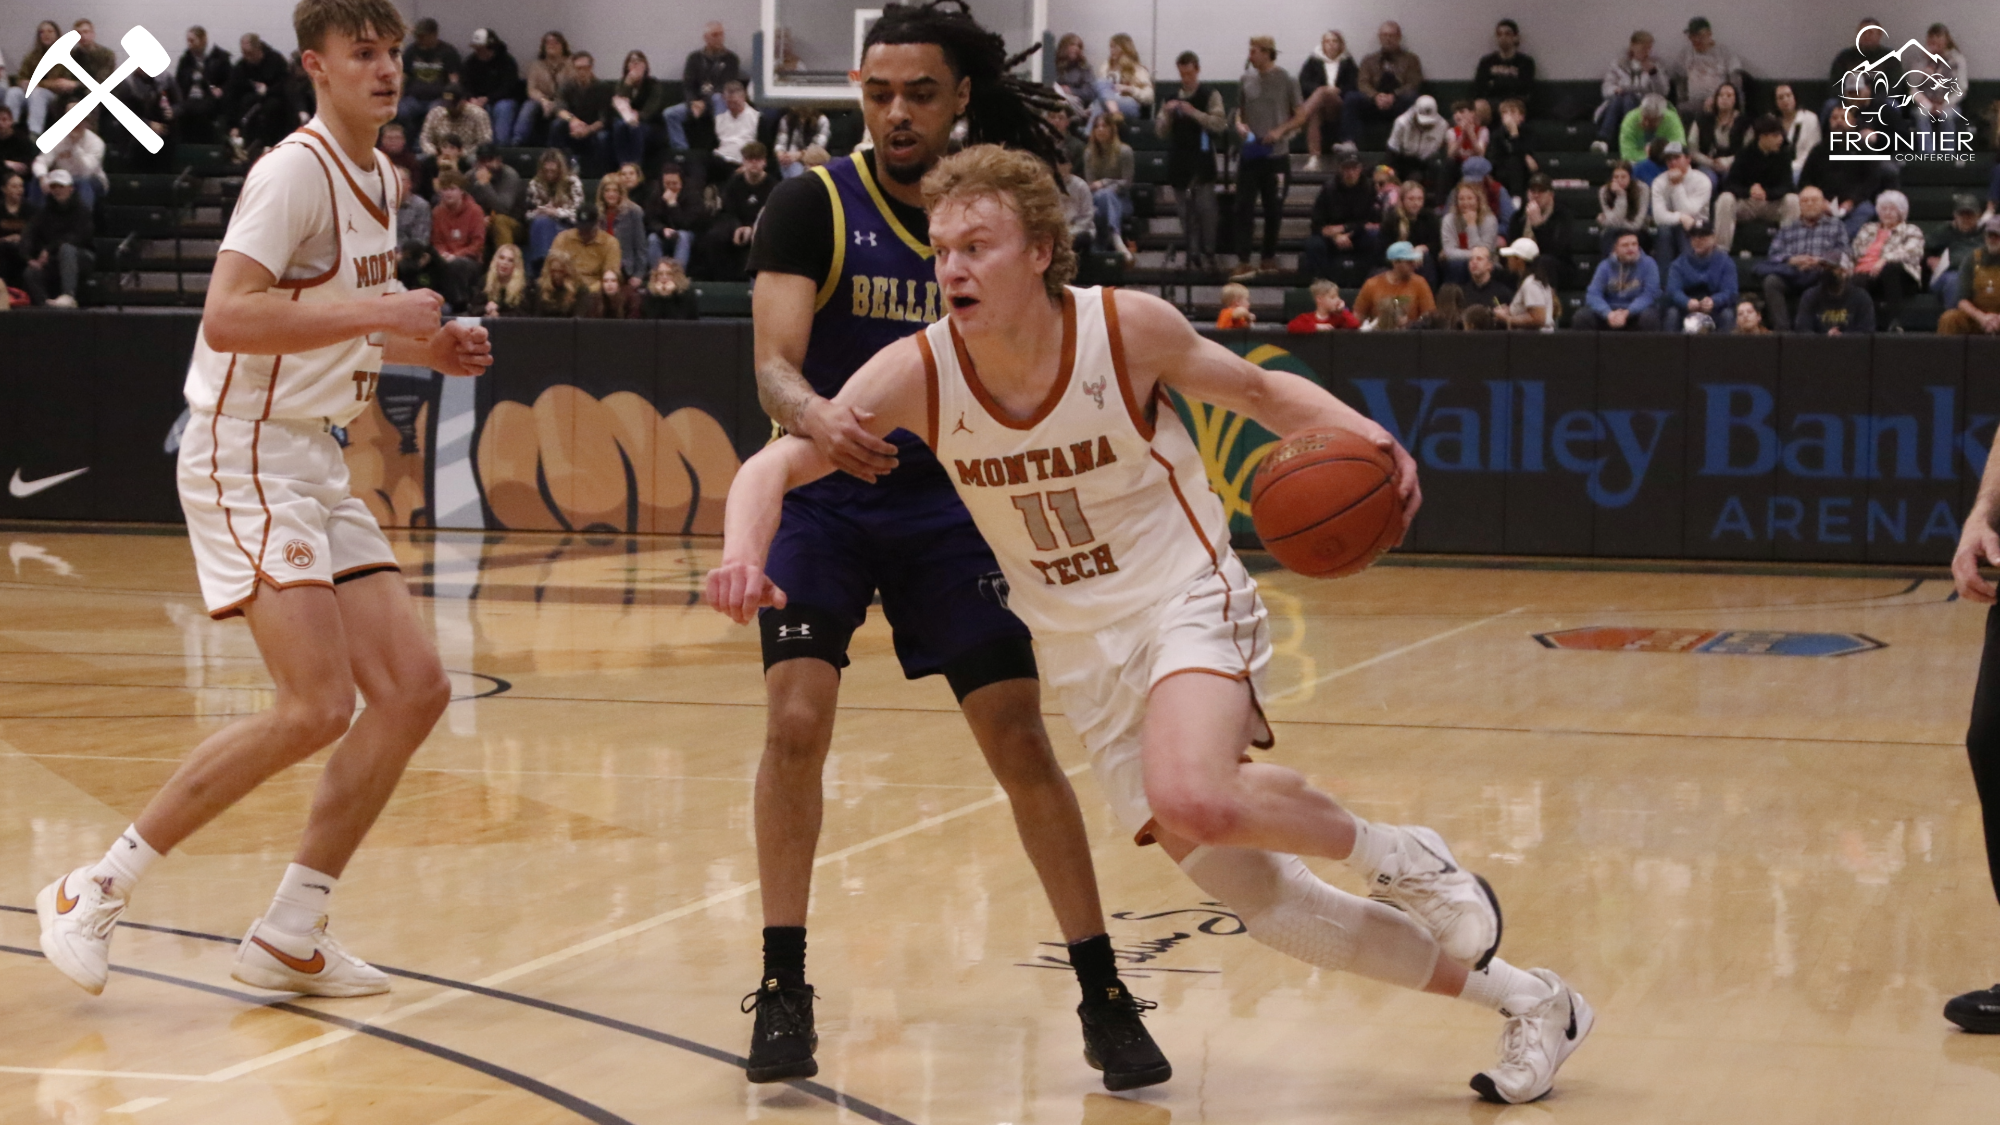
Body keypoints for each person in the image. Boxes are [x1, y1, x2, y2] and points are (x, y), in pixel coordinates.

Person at [711, 143, 1592, 1105]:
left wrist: (1369, 438)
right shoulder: (918, 372)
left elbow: (1258, 393)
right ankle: (1533, 1000)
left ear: (1041, 249)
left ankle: (1403, 854)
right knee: (1270, 904)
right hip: (1087, 656)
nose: (951, 267)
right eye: (940, 248)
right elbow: (772, 467)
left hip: (1183, 595)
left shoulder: (1124, 329)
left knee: (1195, 792)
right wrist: (744, 552)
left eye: (977, 244)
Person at [736, 0, 1169, 1092]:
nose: (892, 113)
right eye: (875, 93)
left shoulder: (996, 211)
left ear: (959, 95)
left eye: (916, 92)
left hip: (950, 506)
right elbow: (772, 365)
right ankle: (782, 982)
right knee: (794, 722)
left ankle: (1101, 988)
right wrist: (813, 415)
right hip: (827, 495)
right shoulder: (813, 202)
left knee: (1017, 737)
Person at [35, 0, 490, 999]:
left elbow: (333, 324)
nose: (385, 70)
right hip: (243, 451)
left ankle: (291, 930)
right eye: (362, 54)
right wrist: (381, 309)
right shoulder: (294, 170)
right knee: (316, 704)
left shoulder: (385, 176)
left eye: (394, 53)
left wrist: (425, 346)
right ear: (316, 67)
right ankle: (92, 886)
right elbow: (231, 314)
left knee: (414, 690)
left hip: (316, 459)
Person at [1229, 36, 1299, 281]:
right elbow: (1240, 110)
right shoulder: (1246, 79)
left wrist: (1280, 131)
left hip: (1276, 154)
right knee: (1242, 207)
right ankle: (1244, 260)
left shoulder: (1286, 80)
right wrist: (1239, 124)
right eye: (1250, 50)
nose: (1251, 55)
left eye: (1255, 51)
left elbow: (1299, 115)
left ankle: (1268, 257)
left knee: (1273, 208)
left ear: (1268, 53)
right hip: (1251, 153)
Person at [1156, 51, 1224, 270]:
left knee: (1206, 210)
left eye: (1189, 73)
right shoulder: (1169, 97)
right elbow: (1160, 132)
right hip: (1179, 159)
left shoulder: (1210, 94)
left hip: (1202, 158)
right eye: (1182, 73)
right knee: (1185, 212)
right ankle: (1192, 252)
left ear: (1197, 70)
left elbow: (1219, 124)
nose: (1185, 78)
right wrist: (1167, 115)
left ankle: (1210, 251)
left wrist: (1193, 112)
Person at [1757, 185, 1847, 331]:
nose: (1809, 204)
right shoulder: (1788, 228)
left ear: (1823, 203)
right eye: (1805, 201)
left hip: (1821, 273)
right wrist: (1792, 259)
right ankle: (1782, 331)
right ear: (1800, 204)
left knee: (1830, 277)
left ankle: (1821, 328)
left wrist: (1819, 260)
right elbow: (1773, 254)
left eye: (1814, 200)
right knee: (1771, 281)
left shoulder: (1836, 226)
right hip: (1793, 273)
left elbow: (1843, 252)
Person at [1713, 115, 1796, 254]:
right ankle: (1721, 251)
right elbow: (1730, 184)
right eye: (1776, 136)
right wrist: (1749, 191)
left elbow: (1788, 186)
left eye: (1781, 135)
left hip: (1771, 204)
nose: (1780, 140)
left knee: (1793, 200)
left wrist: (1767, 193)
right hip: (1748, 203)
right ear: (1763, 137)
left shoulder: (1784, 154)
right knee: (1725, 199)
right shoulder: (1745, 154)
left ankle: (1789, 251)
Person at [696, 141, 773, 281]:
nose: (754, 163)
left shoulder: (773, 185)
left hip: (761, 227)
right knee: (714, 236)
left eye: (758, 159)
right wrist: (737, 227)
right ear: (743, 162)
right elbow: (727, 210)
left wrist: (752, 228)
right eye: (750, 159)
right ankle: (721, 281)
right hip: (735, 223)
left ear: (765, 162)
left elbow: (771, 215)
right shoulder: (734, 182)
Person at [1342, 21, 1424, 145]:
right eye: (1384, 35)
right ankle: (1349, 143)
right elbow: (1362, 83)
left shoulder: (1411, 59)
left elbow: (1413, 83)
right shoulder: (1369, 60)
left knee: (1413, 98)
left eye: (1392, 35)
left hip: (1398, 103)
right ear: (1379, 37)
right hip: (1373, 102)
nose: (1388, 39)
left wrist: (1394, 96)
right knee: (1351, 98)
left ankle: (1410, 144)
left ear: (1399, 37)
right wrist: (1375, 96)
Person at [1848, 190, 1920, 329]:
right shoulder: (1867, 229)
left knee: (1890, 268)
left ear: (1901, 212)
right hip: (1867, 273)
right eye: (1884, 209)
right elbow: (1854, 252)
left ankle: (1895, 322)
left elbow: (1912, 251)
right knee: (1857, 280)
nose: (1887, 213)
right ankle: (1861, 326)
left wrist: (1884, 260)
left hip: (1900, 276)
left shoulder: (1911, 230)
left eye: (1892, 209)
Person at [1303, 151, 1378, 281]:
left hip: (1358, 234)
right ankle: (1321, 283)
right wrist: (1335, 235)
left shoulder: (1370, 188)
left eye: (1354, 168)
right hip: (1330, 236)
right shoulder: (1328, 189)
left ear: (1360, 169)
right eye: (1346, 168)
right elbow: (1316, 224)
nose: (1350, 172)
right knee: (1314, 244)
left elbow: (1372, 221)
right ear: (1340, 169)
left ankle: (1368, 282)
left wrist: (1345, 228)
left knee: (1375, 240)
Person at [20, 169, 91, 307]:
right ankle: (45, 306)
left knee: (66, 249)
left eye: (61, 186)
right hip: (54, 259)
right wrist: (28, 258)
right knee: (31, 272)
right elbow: (29, 232)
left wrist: (49, 249)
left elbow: (78, 237)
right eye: (54, 187)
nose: (57, 190)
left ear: (70, 188)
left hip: (81, 257)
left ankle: (68, 295)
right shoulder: (44, 212)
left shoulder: (82, 210)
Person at [1286, 31, 1356, 170]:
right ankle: (1314, 158)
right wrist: (1323, 90)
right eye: (1327, 41)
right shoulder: (1313, 61)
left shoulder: (1347, 62)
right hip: (1318, 106)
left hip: (1338, 105)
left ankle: (1297, 121)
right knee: (1315, 111)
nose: (1331, 45)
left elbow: (1354, 85)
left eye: (1334, 41)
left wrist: (1336, 90)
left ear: (1340, 44)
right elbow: (1303, 83)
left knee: (1323, 92)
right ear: (1323, 44)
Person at [667, 22, 740, 153]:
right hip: (696, 103)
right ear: (706, 37)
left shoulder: (731, 59)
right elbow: (688, 85)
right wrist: (693, 102)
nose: (719, 38)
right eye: (715, 35)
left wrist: (704, 102)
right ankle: (682, 152)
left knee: (718, 97)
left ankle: (726, 145)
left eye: (721, 34)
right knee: (670, 114)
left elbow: (725, 87)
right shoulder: (694, 58)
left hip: (719, 104)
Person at [1595, 31, 1670, 151]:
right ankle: (1605, 142)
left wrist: (1653, 74)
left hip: (1645, 105)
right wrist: (1616, 90)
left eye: (1648, 48)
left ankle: (1606, 138)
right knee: (1622, 99)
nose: (1646, 52)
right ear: (1632, 47)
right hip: (1617, 105)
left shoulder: (1657, 65)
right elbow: (1606, 88)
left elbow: (1663, 92)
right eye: (1642, 48)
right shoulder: (1618, 65)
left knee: (1629, 98)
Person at [1575, 230, 1662, 331]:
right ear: (1615, 249)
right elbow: (1593, 294)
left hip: (1636, 311)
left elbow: (1649, 295)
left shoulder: (1649, 264)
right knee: (1582, 317)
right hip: (1610, 311)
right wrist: (1608, 313)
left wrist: (1628, 312)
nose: (1631, 249)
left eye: (1634, 244)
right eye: (1625, 245)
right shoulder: (1605, 266)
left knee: (1649, 318)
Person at [429, 169, 487, 311]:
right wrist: (442, 254)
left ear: (461, 191)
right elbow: (436, 241)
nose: (448, 193)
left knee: (457, 265)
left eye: (452, 189)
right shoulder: (437, 212)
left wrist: (456, 255)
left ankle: (459, 306)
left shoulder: (475, 211)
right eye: (444, 189)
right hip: (445, 258)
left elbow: (477, 244)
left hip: (469, 260)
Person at [1650, 142, 1710, 275]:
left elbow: (1691, 212)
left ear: (1688, 159)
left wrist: (1677, 185)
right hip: (1670, 226)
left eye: (1676, 158)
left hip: (1697, 226)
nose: (1672, 162)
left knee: (1686, 232)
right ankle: (1664, 286)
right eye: (1668, 159)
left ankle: (1690, 283)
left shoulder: (1702, 180)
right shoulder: (1659, 182)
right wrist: (1681, 218)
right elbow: (1659, 217)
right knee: (1664, 231)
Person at [226, 33, 292, 154]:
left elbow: (286, 85)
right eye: (244, 53)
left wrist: (268, 90)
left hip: (274, 105)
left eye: (249, 53)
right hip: (250, 109)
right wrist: (233, 125)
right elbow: (232, 96)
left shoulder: (276, 60)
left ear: (258, 49)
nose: (246, 57)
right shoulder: (241, 67)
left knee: (273, 107)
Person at [1670, 17, 1744, 122]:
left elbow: (1736, 83)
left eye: (1699, 36)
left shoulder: (1724, 53)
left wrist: (1718, 99)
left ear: (1709, 34)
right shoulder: (1686, 53)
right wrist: (1682, 99)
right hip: (1693, 103)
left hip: (1718, 102)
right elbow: (1679, 79)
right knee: (1680, 111)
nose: (1695, 40)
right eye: (1692, 36)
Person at [1665, 221, 1736, 332]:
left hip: (1715, 309)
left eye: (1703, 236)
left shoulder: (1725, 262)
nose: (1698, 240)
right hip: (1687, 309)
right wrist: (1686, 302)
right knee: (1672, 313)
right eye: (1694, 236)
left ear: (1713, 238)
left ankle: (1723, 349)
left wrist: (1714, 301)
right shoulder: (1679, 263)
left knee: (1727, 315)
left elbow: (1730, 291)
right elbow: (1673, 291)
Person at [551, 52, 613, 175]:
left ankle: (599, 175)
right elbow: (559, 109)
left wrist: (588, 129)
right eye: (579, 68)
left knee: (603, 137)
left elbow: (604, 119)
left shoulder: (602, 87)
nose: (582, 72)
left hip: (594, 128)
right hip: (573, 126)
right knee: (557, 125)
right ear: (573, 69)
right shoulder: (566, 85)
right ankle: (558, 167)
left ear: (591, 68)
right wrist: (574, 121)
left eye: (586, 68)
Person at [1937, 216, 2000, 336]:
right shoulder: (1972, 259)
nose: (1992, 239)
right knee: (1949, 318)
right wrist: (1982, 318)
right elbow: (1962, 300)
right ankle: (1944, 354)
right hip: (1977, 317)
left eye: (1997, 236)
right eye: (1989, 235)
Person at [609, 51, 670, 173]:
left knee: (635, 128)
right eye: (632, 62)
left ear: (645, 66)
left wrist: (638, 116)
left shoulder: (654, 84)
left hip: (649, 124)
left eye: (639, 62)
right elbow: (619, 105)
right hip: (626, 121)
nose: (635, 65)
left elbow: (652, 108)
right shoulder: (622, 83)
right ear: (627, 66)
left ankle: (635, 168)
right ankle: (623, 166)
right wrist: (628, 85)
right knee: (619, 125)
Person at [1507, 174, 1571, 287]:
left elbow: (1557, 251)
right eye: (1532, 191)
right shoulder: (1518, 217)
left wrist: (1538, 226)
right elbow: (1511, 244)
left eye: (1541, 191)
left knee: (1544, 261)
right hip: (1524, 262)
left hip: (1555, 266)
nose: (1536, 195)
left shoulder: (1561, 216)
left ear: (1550, 195)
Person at [523, 147, 582, 270]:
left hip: (566, 225)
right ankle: (542, 266)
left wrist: (556, 212)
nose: (549, 174)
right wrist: (540, 211)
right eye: (546, 171)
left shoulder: (572, 182)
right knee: (541, 222)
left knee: (543, 224)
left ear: (560, 170)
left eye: (553, 171)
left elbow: (578, 214)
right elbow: (527, 214)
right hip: (540, 225)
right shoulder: (535, 184)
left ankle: (541, 268)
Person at [1084, 113, 1133, 259]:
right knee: (1102, 197)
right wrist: (1104, 187)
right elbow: (1091, 185)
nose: (1100, 130)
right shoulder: (1088, 153)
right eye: (1097, 126)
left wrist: (1105, 183)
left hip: (1122, 200)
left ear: (1112, 129)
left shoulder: (1124, 151)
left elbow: (1127, 183)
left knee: (1106, 195)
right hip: (1097, 200)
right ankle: (1115, 237)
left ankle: (1104, 244)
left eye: (1104, 126)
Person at [173, 26, 234, 144]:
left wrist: (221, 89)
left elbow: (230, 82)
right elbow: (178, 81)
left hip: (208, 98)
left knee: (200, 111)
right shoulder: (186, 60)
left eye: (192, 41)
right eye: (188, 41)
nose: (189, 44)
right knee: (181, 112)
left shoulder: (220, 58)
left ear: (203, 40)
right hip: (189, 98)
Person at [398, 17, 460, 133]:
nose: (419, 39)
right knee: (402, 111)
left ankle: (423, 144)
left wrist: (452, 100)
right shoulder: (411, 51)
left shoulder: (447, 52)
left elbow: (454, 79)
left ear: (433, 34)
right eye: (418, 36)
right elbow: (403, 76)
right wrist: (397, 96)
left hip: (438, 98)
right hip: (414, 98)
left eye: (423, 36)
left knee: (435, 113)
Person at [460, 28, 520, 146]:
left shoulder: (507, 62)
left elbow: (509, 87)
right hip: (477, 100)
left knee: (503, 108)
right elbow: (465, 85)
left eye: (481, 48)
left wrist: (488, 98)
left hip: (502, 99)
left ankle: (502, 147)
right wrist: (471, 98)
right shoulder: (470, 62)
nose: (478, 51)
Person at [514, 31, 574, 147]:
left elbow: (571, 87)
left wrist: (556, 103)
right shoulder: (536, 65)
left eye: (555, 43)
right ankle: (518, 141)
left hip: (563, 101)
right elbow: (531, 89)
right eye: (548, 43)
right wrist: (543, 100)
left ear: (563, 46)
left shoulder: (570, 64)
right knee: (529, 106)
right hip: (542, 101)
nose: (551, 45)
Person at [29, 119, 105, 211]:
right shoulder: (56, 138)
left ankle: (82, 220)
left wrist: (75, 147)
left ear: (85, 124)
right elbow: (41, 161)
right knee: (37, 180)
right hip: (61, 177)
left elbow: (86, 171)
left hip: (91, 179)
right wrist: (42, 177)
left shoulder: (96, 142)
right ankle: (38, 219)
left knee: (83, 182)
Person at [1355, 240, 1435, 326]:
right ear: (1395, 263)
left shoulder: (1420, 283)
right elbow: (1358, 315)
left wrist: (1411, 324)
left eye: (1413, 261)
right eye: (1409, 262)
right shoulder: (1372, 284)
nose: (1414, 265)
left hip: (1410, 334)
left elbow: (1429, 315)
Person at [642, 163, 704, 271]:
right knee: (652, 239)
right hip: (665, 233)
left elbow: (687, 223)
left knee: (683, 236)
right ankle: (657, 274)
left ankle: (677, 275)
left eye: (674, 183)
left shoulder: (692, 194)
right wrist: (662, 229)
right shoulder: (656, 193)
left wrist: (672, 205)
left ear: (681, 182)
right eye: (667, 184)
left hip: (688, 232)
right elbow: (651, 219)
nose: (670, 187)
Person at [1385, 95, 1449, 200]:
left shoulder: (1442, 126)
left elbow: (1440, 151)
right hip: (1402, 160)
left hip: (1426, 164)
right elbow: (1391, 151)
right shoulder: (1401, 123)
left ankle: (1438, 203)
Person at [1928, 196, 1985, 311]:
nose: (1965, 218)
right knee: (1954, 281)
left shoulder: (1986, 232)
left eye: (1970, 214)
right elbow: (1926, 250)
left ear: (1978, 215)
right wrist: (1931, 260)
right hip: (1952, 273)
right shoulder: (1945, 231)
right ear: (1955, 215)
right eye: (1962, 214)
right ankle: (1954, 322)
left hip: (1980, 272)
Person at [1379, 180, 1441, 285]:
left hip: (1422, 262)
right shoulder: (1392, 218)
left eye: (1419, 199)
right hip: (1396, 261)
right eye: (1411, 199)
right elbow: (1382, 249)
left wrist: (1422, 248)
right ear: (1402, 200)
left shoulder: (1429, 217)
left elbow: (1437, 244)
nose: (1416, 203)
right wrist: (1406, 256)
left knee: (1426, 259)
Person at [1473, 19, 1536, 122]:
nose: (1503, 38)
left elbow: (1524, 87)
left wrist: (1494, 83)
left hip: (1514, 101)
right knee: (1478, 106)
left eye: (1507, 34)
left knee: (1511, 109)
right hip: (1491, 101)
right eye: (1499, 34)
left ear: (1515, 37)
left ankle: (1512, 137)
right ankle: (1481, 137)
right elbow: (1479, 87)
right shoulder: (1487, 61)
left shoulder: (1525, 62)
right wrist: (1508, 83)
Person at [1794, 254, 1873, 335]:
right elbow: (1802, 330)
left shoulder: (1861, 297)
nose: (1828, 272)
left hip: (1851, 346)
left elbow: (1866, 333)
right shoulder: (1810, 296)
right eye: (1825, 268)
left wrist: (1842, 337)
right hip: (1818, 346)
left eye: (1832, 268)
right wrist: (1825, 337)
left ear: (1844, 271)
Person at [1439, 180, 1499, 285]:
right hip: (1457, 263)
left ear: (1478, 200)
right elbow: (1449, 251)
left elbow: (1484, 253)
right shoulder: (1449, 220)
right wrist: (1473, 254)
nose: (1465, 203)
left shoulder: (1490, 220)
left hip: (1487, 264)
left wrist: (1471, 225)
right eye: (1461, 199)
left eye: (1470, 198)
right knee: (1457, 264)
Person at [550, 202, 621, 286]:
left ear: (597, 223)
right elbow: (552, 270)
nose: (585, 233)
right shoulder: (562, 239)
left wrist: (590, 291)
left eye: (589, 229)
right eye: (581, 229)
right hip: (567, 287)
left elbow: (611, 274)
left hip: (596, 290)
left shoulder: (610, 243)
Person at [1687, 80, 1746, 180]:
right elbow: (1692, 148)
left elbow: (1747, 151)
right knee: (1708, 179)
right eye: (1721, 95)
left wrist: (1727, 161)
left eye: (1729, 95)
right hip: (1706, 163)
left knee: (1731, 178)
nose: (1724, 98)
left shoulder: (1745, 122)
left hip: (1733, 165)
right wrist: (1711, 163)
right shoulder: (1701, 119)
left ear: (1735, 100)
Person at [468, 142, 524, 246]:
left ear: (499, 160)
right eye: (482, 161)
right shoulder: (471, 175)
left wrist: (485, 185)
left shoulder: (510, 176)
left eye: (489, 160)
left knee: (500, 221)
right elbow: (464, 202)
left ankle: (506, 258)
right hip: (483, 220)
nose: (485, 165)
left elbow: (503, 209)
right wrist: (479, 218)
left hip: (512, 224)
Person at [597, 177, 647, 285]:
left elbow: (640, 245)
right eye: (607, 190)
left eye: (615, 191)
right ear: (602, 193)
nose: (611, 194)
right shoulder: (597, 213)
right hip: (601, 266)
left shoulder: (634, 211)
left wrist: (639, 274)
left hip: (625, 267)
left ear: (621, 193)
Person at [1498, 238, 1556, 330]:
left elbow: (1539, 318)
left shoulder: (1531, 284)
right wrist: (1510, 311)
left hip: (1534, 342)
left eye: (1511, 256)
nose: (1508, 260)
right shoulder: (1534, 280)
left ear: (1519, 259)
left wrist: (1506, 318)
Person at [1597, 160, 1650, 255]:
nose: (1619, 180)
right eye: (1616, 177)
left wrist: (1605, 221)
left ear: (1630, 177)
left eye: (1623, 177)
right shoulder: (1604, 191)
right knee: (1609, 233)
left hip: (1638, 231)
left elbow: (1637, 224)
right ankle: (1610, 267)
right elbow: (1613, 223)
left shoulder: (1642, 189)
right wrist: (1621, 195)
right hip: (1613, 231)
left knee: (1636, 236)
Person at [419, 84, 490, 155]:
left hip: (467, 155)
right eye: (447, 104)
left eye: (453, 105)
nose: (450, 108)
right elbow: (425, 139)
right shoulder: (435, 113)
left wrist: (461, 153)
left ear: (463, 101)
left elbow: (484, 143)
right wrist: (436, 152)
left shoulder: (478, 114)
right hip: (439, 154)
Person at [1487, 98, 1536, 200]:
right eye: (1505, 113)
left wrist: (1514, 135)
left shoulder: (1527, 133)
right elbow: (1494, 158)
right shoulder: (1497, 134)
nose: (1509, 116)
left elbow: (1530, 158)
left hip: (1523, 172)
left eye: (1513, 112)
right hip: (1502, 170)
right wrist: (1525, 155)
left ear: (1521, 117)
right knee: (1512, 161)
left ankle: (1516, 197)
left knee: (1515, 160)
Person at [1101, 33, 1153, 122]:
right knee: (1101, 95)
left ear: (1125, 49)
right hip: (1109, 102)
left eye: (1115, 47)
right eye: (1110, 47)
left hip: (1129, 104)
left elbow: (1149, 96)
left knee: (1104, 102)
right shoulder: (1106, 67)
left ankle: (1087, 130)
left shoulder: (1138, 70)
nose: (1111, 51)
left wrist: (1129, 89)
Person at [1620, 93, 1683, 165]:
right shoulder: (1630, 120)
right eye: (1644, 118)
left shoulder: (1672, 120)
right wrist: (1654, 157)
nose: (1646, 123)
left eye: (1652, 121)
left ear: (1661, 118)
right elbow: (1627, 155)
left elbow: (1678, 149)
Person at [1773, 84, 1818, 180]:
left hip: (1804, 167)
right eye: (1780, 98)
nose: (1785, 100)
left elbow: (1813, 150)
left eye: (1788, 96)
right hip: (1777, 169)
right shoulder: (1772, 122)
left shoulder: (1809, 118)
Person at [531, 247, 593, 316]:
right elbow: (536, 317)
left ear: (568, 272)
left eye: (561, 271)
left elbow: (579, 319)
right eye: (553, 271)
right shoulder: (540, 288)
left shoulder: (580, 290)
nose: (556, 275)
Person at [774, 105, 830, 180]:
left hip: (814, 160)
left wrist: (799, 155)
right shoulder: (786, 119)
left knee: (798, 170)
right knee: (791, 166)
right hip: (791, 159)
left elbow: (818, 147)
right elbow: (781, 141)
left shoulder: (822, 120)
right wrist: (780, 154)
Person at [0, 170, 32, 292]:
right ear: (4, 189)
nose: (19, 190)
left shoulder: (30, 209)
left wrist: (21, 238)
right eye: (14, 186)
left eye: (21, 186)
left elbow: (36, 233)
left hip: (23, 249)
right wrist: (4, 239)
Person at [481, 242, 531, 317]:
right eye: (501, 258)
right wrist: (486, 309)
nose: (504, 263)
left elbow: (523, 314)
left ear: (516, 265)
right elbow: (474, 308)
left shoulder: (524, 286)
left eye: (510, 260)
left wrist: (499, 315)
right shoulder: (485, 280)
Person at [1288, 277, 1358, 332]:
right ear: (1319, 299)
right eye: (1332, 297)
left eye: (1338, 296)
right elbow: (1292, 327)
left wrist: (1343, 311)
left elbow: (1354, 325)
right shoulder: (1307, 318)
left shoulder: (1338, 318)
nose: (1338, 300)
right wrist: (1316, 327)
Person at [1459, 245, 1514, 310]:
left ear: (1489, 265)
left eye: (1479, 259)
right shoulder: (1462, 293)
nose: (1474, 262)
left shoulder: (1503, 293)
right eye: (1471, 259)